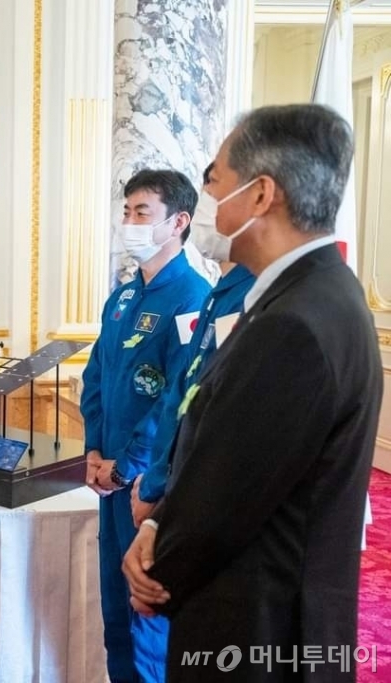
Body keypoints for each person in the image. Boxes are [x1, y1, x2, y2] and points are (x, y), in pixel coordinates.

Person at [123, 104, 383, 682]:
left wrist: (157, 569)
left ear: (261, 195)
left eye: (214, 178)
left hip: (259, 634)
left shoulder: (295, 321)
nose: (208, 195)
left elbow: (229, 495)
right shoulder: (312, 293)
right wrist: (155, 524)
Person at [80, 169, 211, 683]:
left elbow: (177, 402)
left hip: (144, 485)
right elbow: (97, 377)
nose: (129, 222)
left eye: (142, 213)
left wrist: (126, 466)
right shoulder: (124, 296)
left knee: (145, 621)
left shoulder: (193, 298)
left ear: (178, 222)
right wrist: (93, 451)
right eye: (127, 211)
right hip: (107, 475)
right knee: (115, 612)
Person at [130, 163, 256, 526]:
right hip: (162, 473)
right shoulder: (218, 294)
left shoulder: (247, 296)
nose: (206, 213)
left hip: (192, 490)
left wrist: (154, 484)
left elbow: (208, 407)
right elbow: (184, 392)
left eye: (214, 195)